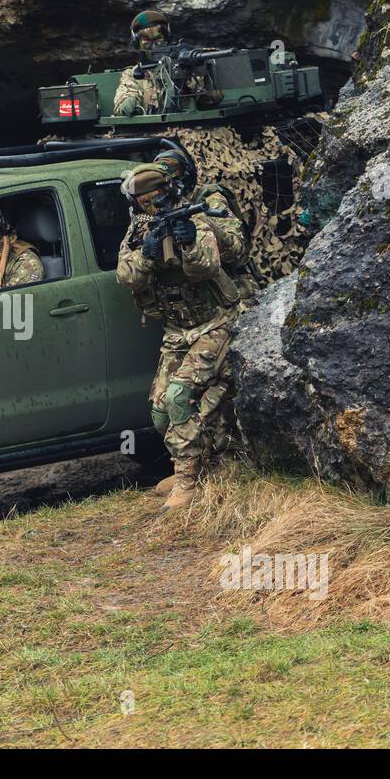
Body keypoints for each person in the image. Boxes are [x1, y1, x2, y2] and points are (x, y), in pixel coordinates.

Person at [116, 152, 250, 511]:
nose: (151, 207)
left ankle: (189, 481)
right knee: (160, 411)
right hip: (178, 330)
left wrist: (187, 240)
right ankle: (194, 466)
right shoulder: (138, 231)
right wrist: (148, 252)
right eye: (144, 203)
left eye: (155, 199)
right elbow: (125, 276)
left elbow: (207, 268)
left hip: (215, 322)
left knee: (179, 397)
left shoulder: (195, 218)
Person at [113, 9, 223, 117]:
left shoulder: (183, 66)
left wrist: (187, 75)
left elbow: (210, 101)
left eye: (158, 39)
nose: (154, 46)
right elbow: (125, 96)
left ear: (167, 38)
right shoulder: (133, 74)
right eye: (147, 41)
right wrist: (128, 102)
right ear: (137, 43)